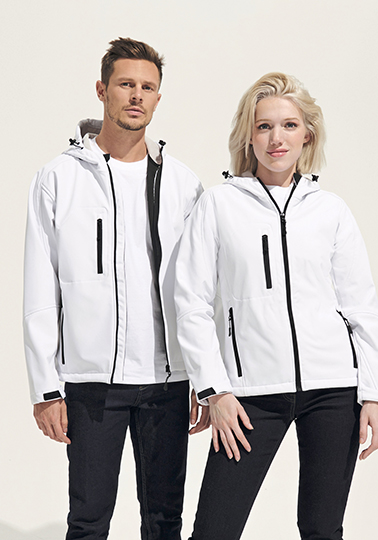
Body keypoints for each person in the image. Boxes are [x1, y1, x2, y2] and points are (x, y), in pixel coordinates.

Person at [175, 72, 378, 540]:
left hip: (333, 390)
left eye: (289, 125)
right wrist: (215, 390)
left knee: (322, 529)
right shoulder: (219, 205)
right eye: (264, 126)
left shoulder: (330, 210)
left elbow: (361, 307)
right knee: (214, 530)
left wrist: (375, 395)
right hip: (249, 393)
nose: (277, 138)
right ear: (248, 136)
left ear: (307, 135)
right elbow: (191, 304)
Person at [23, 37, 204, 540]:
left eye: (147, 87)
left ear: (158, 98)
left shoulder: (183, 183)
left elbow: (200, 291)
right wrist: (45, 388)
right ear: (102, 90)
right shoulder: (58, 178)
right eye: (125, 84)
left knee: (165, 521)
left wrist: (203, 376)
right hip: (90, 383)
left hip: (168, 382)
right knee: (87, 521)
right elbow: (40, 289)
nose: (136, 95)